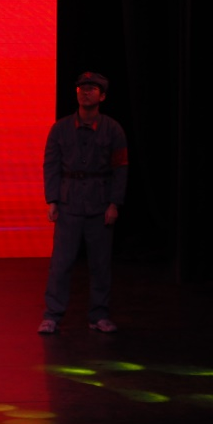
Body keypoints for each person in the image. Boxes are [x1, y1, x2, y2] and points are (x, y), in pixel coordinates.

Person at [39, 72, 128, 334]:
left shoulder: (113, 129)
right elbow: (51, 165)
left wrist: (114, 203)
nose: (85, 92)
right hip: (69, 202)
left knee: (100, 263)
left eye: (92, 88)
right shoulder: (61, 128)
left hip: (99, 203)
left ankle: (99, 314)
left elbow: (120, 168)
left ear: (102, 96)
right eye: (82, 88)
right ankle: (52, 315)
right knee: (61, 263)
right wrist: (52, 200)